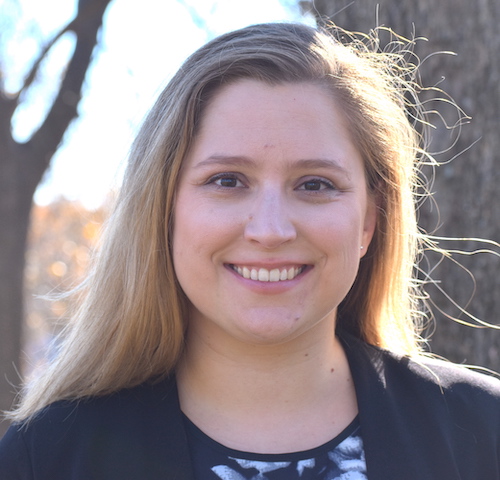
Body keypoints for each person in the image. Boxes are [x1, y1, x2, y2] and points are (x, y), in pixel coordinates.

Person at [0, 22, 499, 480]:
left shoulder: (484, 435)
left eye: (315, 184)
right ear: (164, 211)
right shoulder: (45, 457)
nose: (270, 229)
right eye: (227, 180)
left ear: (369, 221)